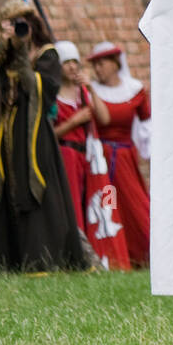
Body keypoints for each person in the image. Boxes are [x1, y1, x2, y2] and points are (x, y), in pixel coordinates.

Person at [0, 0, 89, 272]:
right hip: (6, 134)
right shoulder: (3, 55)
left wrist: (21, 54)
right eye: (12, 23)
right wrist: (4, 46)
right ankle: (6, 259)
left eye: (21, 22)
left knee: (34, 189)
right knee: (4, 187)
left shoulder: (47, 54)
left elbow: (40, 88)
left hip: (35, 137)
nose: (18, 28)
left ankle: (42, 257)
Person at [87, 43, 151, 268]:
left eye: (101, 63)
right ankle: (115, 255)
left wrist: (149, 153)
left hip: (124, 158)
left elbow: (146, 124)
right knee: (108, 201)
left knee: (134, 204)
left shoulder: (134, 91)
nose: (98, 69)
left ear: (115, 63)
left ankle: (144, 253)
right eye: (94, 64)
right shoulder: (91, 91)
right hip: (100, 159)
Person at [53, 41, 110, 232]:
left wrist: (91, 89)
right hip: (66, 154)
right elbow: (48, 135)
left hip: (87, 155)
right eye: (66, 62)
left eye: (74, 62)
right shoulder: (53, 96)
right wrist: (73, 122)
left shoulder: (83, 92)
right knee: (72, 202)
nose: (72, 66)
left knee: (91, 200)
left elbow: (105, 118)